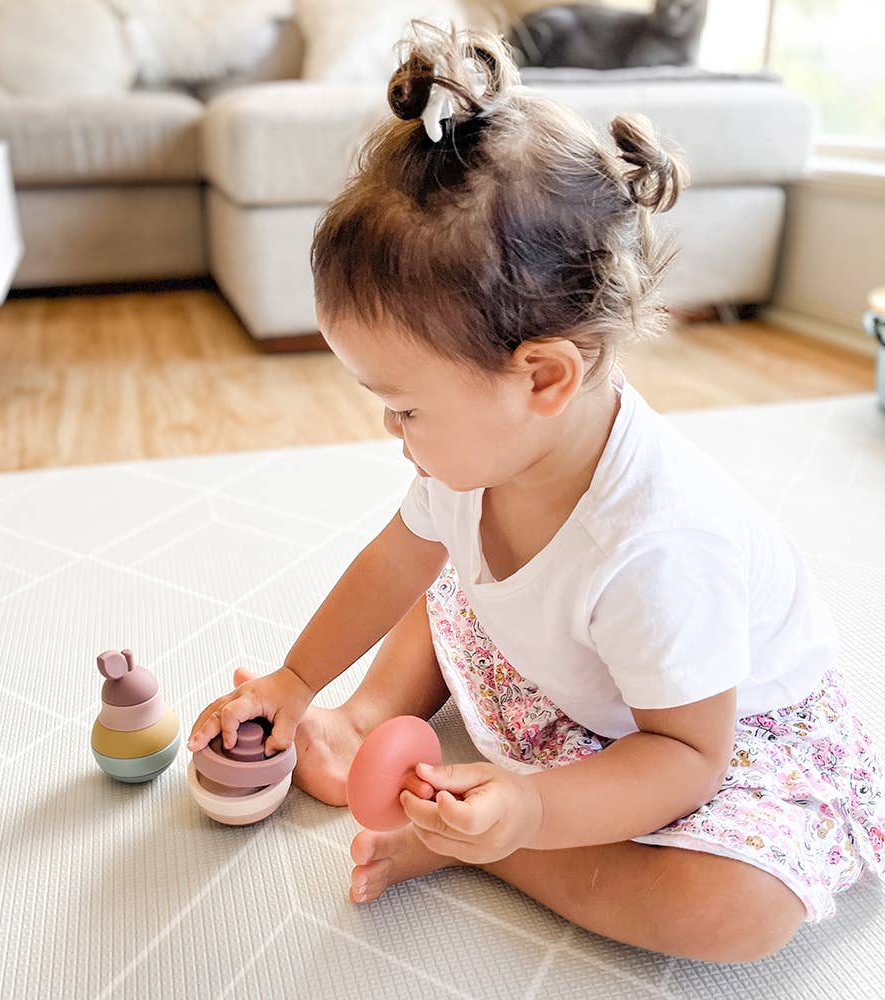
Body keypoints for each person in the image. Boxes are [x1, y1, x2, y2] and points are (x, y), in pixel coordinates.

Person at [187, 21, 884, 963]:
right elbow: (397, 562)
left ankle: (478, 852)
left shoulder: (662, 546)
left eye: (405, 409)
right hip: (573, 664)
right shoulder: (477, 455)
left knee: (738, 912)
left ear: (545, 376)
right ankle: (362, 722)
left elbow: (685, 759)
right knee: (447, 587)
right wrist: (296, 682)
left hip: (703, 728)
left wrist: (528, 814)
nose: (393, 436)